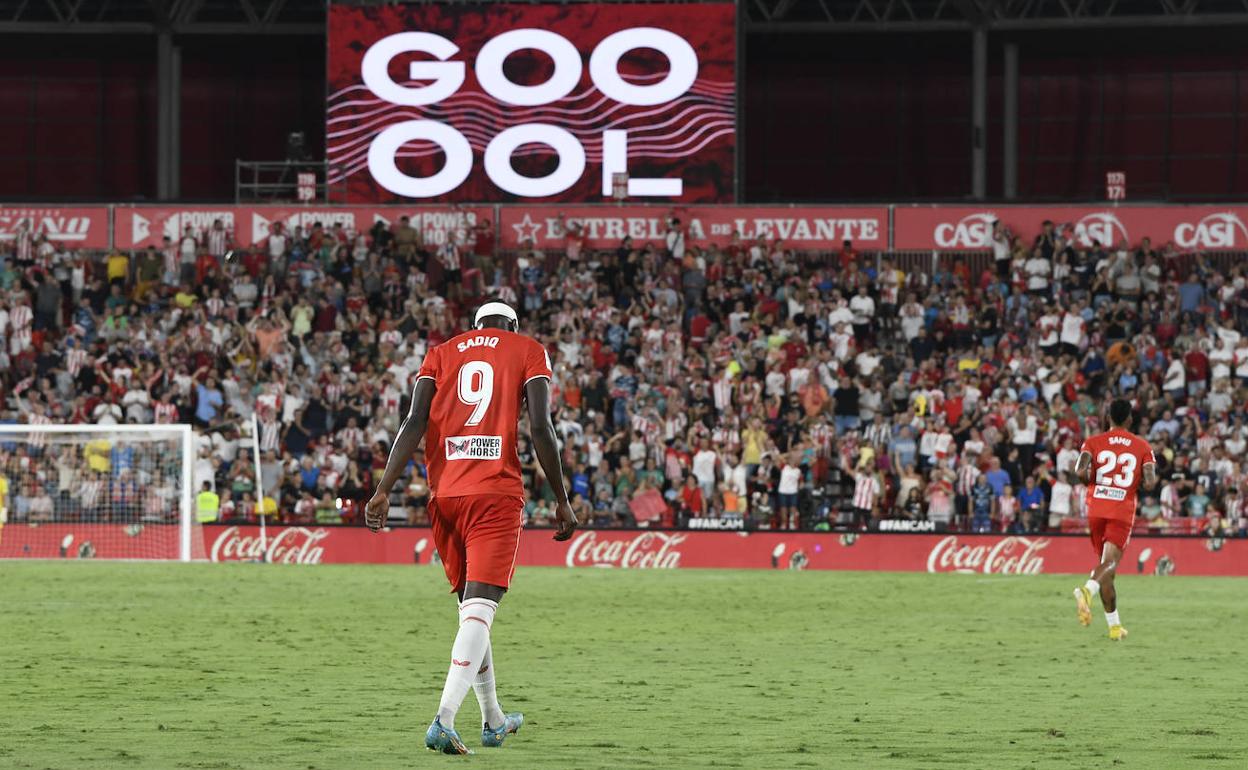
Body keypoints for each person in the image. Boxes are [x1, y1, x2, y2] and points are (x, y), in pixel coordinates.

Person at [364, 301, 577, 755]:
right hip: (493, 491)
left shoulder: (440, 352)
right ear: (512, 326)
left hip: (444, 495)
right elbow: (541, 425)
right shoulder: (528, 350)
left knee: (471, 611)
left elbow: (414, 421)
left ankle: (493, 718)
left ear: (475, 325)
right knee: (481, 607)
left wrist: (383, 489)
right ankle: (443, 719)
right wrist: (560, 498)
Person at [1072, 398, 1157, 642]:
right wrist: (1136, 484)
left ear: (1108, 418)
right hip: (1121, 509)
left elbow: (1079, 471)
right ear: (1130, 419)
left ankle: (1114, 626)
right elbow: (1150, 481)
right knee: (1110, 564)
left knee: (1105, 567)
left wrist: (1093, 484)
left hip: (1096, 508)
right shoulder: (1142, 446)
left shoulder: (1092, 442)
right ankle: (1087, 592)